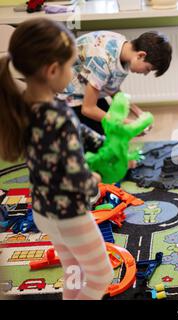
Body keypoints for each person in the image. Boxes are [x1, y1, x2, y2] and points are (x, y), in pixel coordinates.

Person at [0, 18, 113, 300]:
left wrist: (102, 142)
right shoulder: (59, 117)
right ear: (53, 70)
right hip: (69, 214)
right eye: (71, 66)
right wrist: (94, 182)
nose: (74, 72)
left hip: (43, 209)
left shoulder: (25, 104)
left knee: (73, 267)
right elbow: (75, 173)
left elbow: (78, 132)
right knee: (101, 275)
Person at [58, 30, 172, 134]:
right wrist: (131, 124)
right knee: (104, 138)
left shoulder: (123, 48)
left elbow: (111, 87)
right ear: (141, 55)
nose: (145, 74)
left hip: (87, 90)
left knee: (112, 127)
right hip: (66, 97)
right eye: (147, 69)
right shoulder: (102, 60)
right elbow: (88, 109)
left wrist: (137, 112)